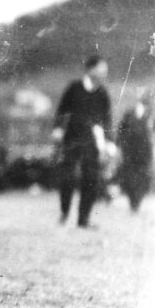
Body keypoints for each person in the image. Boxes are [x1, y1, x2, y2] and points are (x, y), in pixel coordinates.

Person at [52, 54, 114, 229]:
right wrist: (57, 129)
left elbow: (107, 119)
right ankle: (64, 212)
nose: (104, 73)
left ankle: (83, 219)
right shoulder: (74, 88)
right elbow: (62, 110)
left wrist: (109, 142)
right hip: (71, 139)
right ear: (91, 69)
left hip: (92, 142)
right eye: (101, 68)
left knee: (91, 179)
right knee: (68, 178)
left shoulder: (102, 93)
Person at [116, 94, 153, 212]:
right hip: (130, 152)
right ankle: (132, 201)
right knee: (130, 178)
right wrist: (119, 144)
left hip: (143, 153)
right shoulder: (129, 115)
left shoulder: (149, 117)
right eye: (141, 104)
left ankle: (136, 203)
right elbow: (121, 130)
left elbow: (150, 136)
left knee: (141, 179)